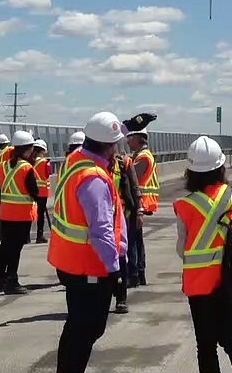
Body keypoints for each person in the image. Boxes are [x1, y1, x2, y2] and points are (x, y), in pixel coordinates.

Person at [49, 112, 128, 373]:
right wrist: (115, 269)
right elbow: (101, 230)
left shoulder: (75, 160)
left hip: (70, 262)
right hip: (90, 268)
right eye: (115, 144)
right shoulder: (93, 178)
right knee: (88, 329)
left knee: (77, 327)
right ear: (108, 146)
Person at [176, 137, 232, 373]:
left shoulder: (185, 205)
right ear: (221, 167)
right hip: (231, 280)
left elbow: (181, 248)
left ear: (191, 172)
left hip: (198, 284)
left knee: (206, 345)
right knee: (230, 338)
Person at [0, 130, 39, 295]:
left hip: (6, 212)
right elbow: (34, 191)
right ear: (27, 150)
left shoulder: (5, 165)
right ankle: (12, 280)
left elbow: (0, 187)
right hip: (21, 214)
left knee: (5, 247)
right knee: (15, 249)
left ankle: (0, 279)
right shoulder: (27, 167)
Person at [109, 134, 142, 314]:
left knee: (121, 253)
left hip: (121, 215)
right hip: (102, 216)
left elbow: (134, 188)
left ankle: (121, 298)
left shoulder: (123, 163)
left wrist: (139, 210)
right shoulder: (94, 165)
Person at [126, 128, 158, 285]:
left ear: (138, 138)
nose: (127, 141)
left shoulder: (143, 157)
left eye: (129, 138)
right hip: (139, 203)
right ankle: (139, 273)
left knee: (132, 241)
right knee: (136, 240)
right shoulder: (140, 156)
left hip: (137, 203)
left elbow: (131, 178)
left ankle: (135, 275)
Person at [34, 139, 52, 244]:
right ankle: (39, 235)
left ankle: (26, 237)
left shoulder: (29, 161)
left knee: (31, 213)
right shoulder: (45, 162)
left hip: (32, 191)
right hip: (43, 192)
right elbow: (47, 174)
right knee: (40, 215)